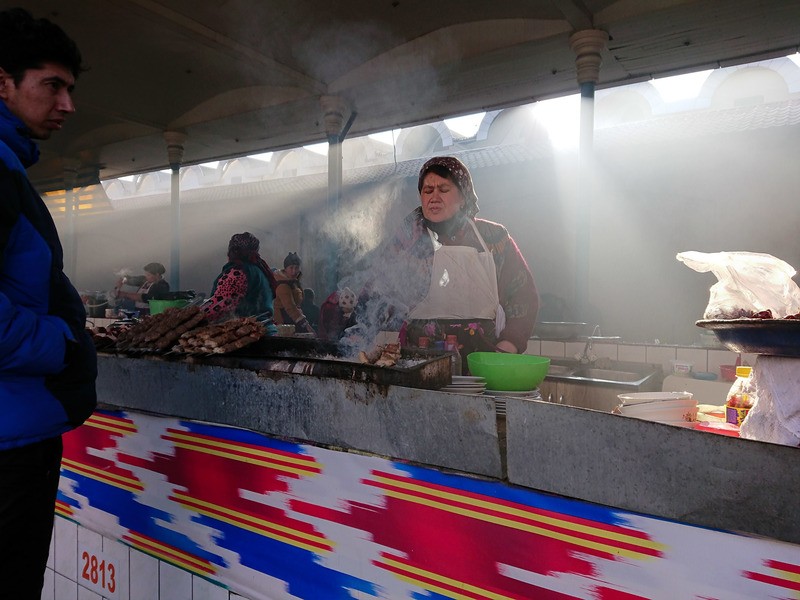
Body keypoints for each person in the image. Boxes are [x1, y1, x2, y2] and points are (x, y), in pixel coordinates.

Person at [0, 8, 97, 597]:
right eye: (51, 86)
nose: (67, 105)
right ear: (2, 81)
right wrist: (63, 346)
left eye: (70, 88)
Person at [367, 156, 539, 373]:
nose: (434, 197)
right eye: (428, 190)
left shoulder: (493, 238)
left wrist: (508, 345)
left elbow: (523, 295)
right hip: (417, 368)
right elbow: (378, 293)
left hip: (482, 366)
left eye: (444, 189)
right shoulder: (406, 241)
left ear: (464, 197)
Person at [202, 232, 278, 335]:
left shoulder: (238, 273)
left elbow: (220, 306)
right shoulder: (259, 270)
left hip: (249, 337)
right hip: (264, 332)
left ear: (232, 251)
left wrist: (194, 317)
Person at [272, 252, 315, 334]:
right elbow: (291, 308)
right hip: (283, 322)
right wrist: (307, 326)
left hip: (293, 319)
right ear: (285, 268)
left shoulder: (294, 282)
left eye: (296, 268)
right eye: (291, 268)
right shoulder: (283, 285)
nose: (294, 271)